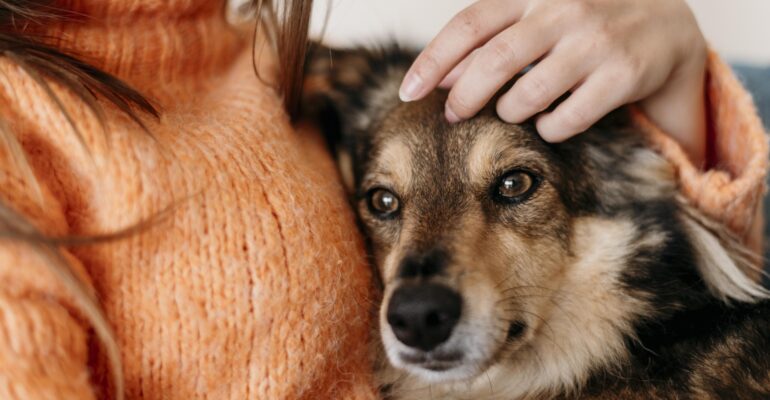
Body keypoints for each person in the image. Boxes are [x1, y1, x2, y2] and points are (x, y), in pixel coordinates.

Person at [0, 1, 765, 400]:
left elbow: (700, 253)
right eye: (384, 203)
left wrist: (674, 62)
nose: (418, 288)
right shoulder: (18, 123)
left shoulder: (299, 76)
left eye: (513, 185)